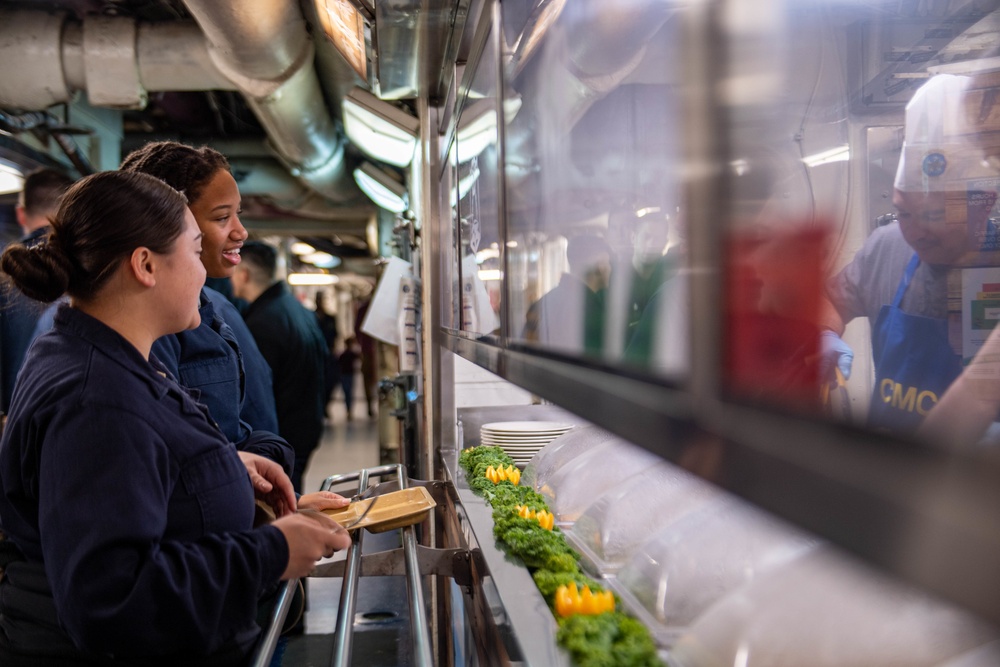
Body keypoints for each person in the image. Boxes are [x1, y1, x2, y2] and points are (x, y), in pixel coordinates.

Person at [0, 171, 351, 666]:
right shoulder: (96, 399)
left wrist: (222, 471)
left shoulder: (97, 350)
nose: (205, 273)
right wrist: (270, 551)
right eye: (192, 251)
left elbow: (139, 481)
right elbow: (111, 599)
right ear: (145, 264)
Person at [822, 74, 999, 434]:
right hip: (886, 466)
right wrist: (823, 335)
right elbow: (830, 300)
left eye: (934, 216)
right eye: (904, 213)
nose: (916, 232)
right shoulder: (886, 247)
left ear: (983, 204)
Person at [119, 141, 289, 467]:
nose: (241, 231)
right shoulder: (144, 324)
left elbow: (239, 427)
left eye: (237, 214)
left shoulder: (213, 307)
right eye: (222, 217)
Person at [232, 241, 329, 493]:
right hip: (306, 426)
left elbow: (256, 390)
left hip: (284, 434)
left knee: (282, 503)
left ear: (244, 275)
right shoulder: (296, 309)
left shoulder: (263, 323)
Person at [0, 168, 74, 416]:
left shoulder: (5, 268)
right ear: (71, 214)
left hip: (11, 425)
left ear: (20, 214)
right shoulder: (93, 268)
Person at [522, 234, 612, 355]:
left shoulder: (541, 303)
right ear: (600, 266)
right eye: (609, 262)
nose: (611, 268)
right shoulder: (592, 311)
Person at [314, 290, 340, 417]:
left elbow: (335, 335)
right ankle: (320, 407)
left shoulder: (330, 318)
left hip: (328, 355)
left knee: (330, 382)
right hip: (316, 355)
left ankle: (325, 405)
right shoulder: (312, 317)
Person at [339, 337, 360, 420]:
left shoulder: (344, 355)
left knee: (347, 393)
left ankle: (348, 410)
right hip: (348, 375)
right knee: (349, 393)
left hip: (345, 375)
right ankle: (349, 410)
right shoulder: (349, 354)